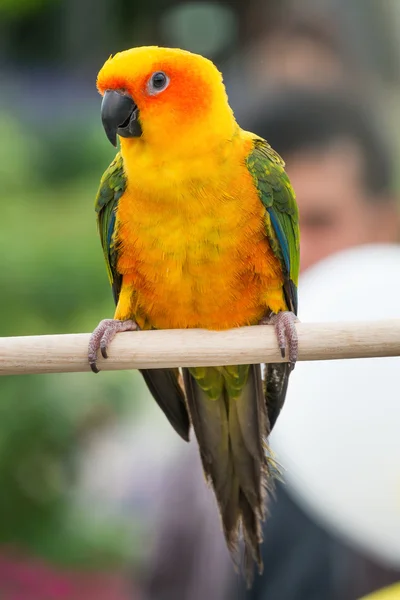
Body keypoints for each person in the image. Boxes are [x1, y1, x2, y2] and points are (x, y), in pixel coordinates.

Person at [140, 88, 400, 600]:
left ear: (387, 224)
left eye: (318, 222)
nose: (287, 252)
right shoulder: (193, 458)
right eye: (260, 228)